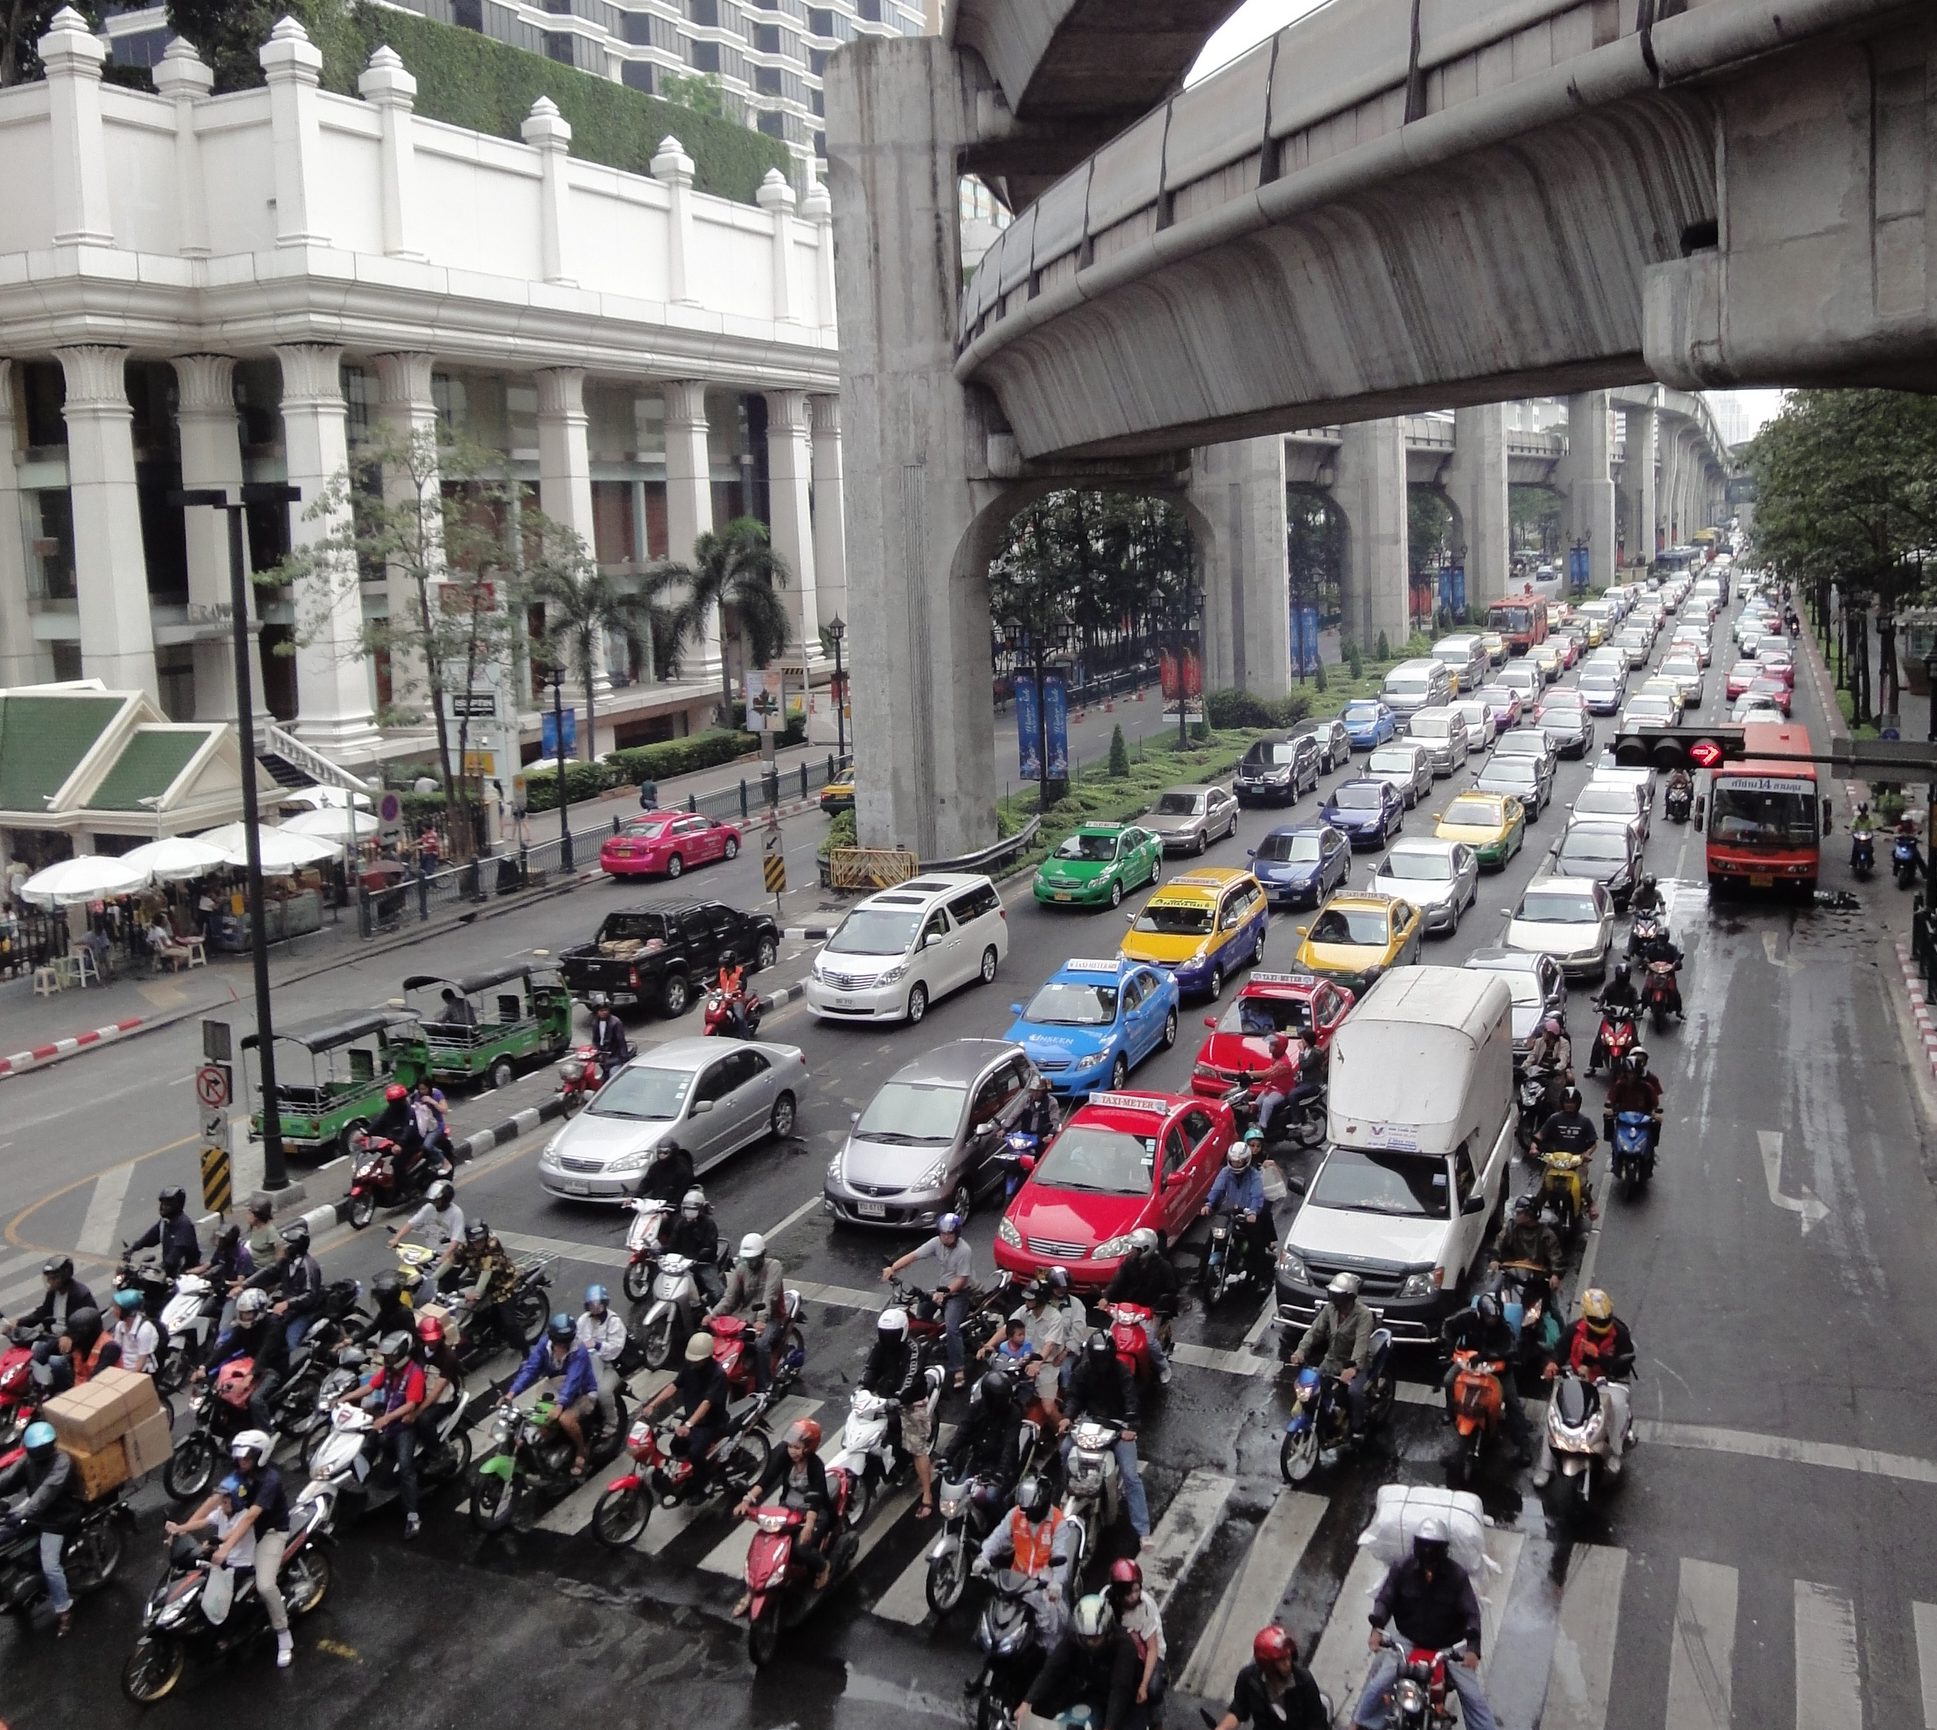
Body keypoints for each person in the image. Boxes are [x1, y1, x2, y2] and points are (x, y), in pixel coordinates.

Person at [1353, 1520, 1495, 1730]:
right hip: (1408, 1638)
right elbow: (1385, 1599)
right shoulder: (1402, 1568)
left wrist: (1472, 1649)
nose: (1429, 1564)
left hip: (1447, 1644)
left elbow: (1471, 1613)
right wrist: (1376, 1628)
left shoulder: (1457, 1576)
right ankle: (1358, 1723)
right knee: (1377, 1685)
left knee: (1473, 1697)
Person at [178, 1430, 297, 1665]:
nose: (241, 1462)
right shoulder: (238, 1475)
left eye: (247, 1458)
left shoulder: (269, 1480)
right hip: (244, 1533)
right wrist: (182, 1529)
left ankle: (283, 1634)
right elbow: (212, 1501)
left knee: (265, 1585)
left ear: (259, 1456)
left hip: (269, 1534)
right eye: (239, 1458)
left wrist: (225, 1547)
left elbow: (251, 1517)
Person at [1535, 1289, 1638, 1487]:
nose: (1602, 1325)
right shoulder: (1573, 1330)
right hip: (1578, 1378)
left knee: (1616, 1405)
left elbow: (1622, 1365)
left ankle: (1615, 1452)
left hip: (1610, 1381)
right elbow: (1559, 1351)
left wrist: (1599, 1356)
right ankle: (1545, 1465)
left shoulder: (1620, 1334)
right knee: (1554, 1410)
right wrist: (1553, 1363)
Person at [732, 1417, 832, 1612]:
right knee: (765, 1545)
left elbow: (817, 1497)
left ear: (808, 1448)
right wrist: (747, 1500)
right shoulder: (783, 1456)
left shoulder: (816, 1466)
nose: (792, 1451)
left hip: (814, 1513)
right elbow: (766, 1479)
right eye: (790, 1446)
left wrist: (809, 1526)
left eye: (797, 1447)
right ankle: (750, 1592)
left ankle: (823, 1566)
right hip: (787, 1509)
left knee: (800, 1549)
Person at [1060, 1331, 1150, 1542]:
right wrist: (1067, 1417)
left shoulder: (1122, 1372)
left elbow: (1131, 1401)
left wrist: (1131, 1426)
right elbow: (1074, 1397)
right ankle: (1066, 1491)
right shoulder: (1082, 1371)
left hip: (1118, 1426)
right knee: (1065, 1450)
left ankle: (1143, 1529)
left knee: (1130, 1475)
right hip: (1090, 1422)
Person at [1018, 1594, 1146, 1730]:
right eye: (1086, 1638)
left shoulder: (1124, 1645)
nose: (1090, 1643)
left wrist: (1109, 1727)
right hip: (1089, 1691)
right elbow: (1052, 1669)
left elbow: (1120, 1688)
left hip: (1124, 1699)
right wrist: (1027, 1702)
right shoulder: (1074, 1639)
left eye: (1095, 1638)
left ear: (1108, 1631)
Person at [975, 1472, 1077, 1642]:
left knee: (1053, 1632)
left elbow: (1060, 1554)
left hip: (1043, 1586)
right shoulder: (1016, 1514)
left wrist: (1056, 1583)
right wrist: (983, 1557)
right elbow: (997, 1538)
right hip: (1015, 1582)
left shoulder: (1058, 1522)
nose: (1028, 1515)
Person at [0, 1421, 81, 1633]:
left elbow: (45, 1493)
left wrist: (20, 1514)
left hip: (58, 1518)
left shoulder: (62, 1462)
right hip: (36, 1512)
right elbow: (9, 1479)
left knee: (51, 1567)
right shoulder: (29, 1460)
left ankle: (64, 1610)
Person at [1437, 1293, 1533, 1465]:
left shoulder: (1504, 1328)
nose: (1492, 1321)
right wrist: (1448, 1346)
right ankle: (1451, 1411)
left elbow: (1511, 1347)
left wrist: (1487, 1355)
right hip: (1469, 1362)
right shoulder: (1467, 1318)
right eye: (1489, 1317)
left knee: (1512, 1401)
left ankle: (1524, 1447)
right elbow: (1448, 1325)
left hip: (1497, 1369)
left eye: (1495, 1317)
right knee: (1449, 1380)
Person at [503, 1313, 601, 1477]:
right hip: (556, 1387)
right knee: (538, 1420)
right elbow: (531, 1369)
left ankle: (581, 1450)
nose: (562, 1346)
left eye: (566, 1341)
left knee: (565, 1419)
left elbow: (573, 1380)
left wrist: (561, 1405)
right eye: (559, 1341)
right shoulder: (544, 1346)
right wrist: (512, 1392)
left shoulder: (579, 1351)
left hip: (582, 1392)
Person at [883, 1215, 974, 1388]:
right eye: (943, 1234)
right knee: (922, 1313)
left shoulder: (964, 1250)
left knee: (952, 1326)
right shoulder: (936, 1243)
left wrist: (946, 1293)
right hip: (940, 1290)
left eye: (949, 1234)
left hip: (958, 1293)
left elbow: (962, 1279)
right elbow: (914, 1255)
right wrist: (893, 1268)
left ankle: (958, 1369)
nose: (945, 1237)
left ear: (956, 1233)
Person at [860, 1307, 935, 1517]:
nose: (887, 1337)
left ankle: (927, 1495)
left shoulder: (913, 1348)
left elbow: (911, 1377)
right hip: (884, 1398)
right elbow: (871, 1368)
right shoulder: (880, 1346)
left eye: (891, 1333)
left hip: (910, 1401)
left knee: (917, 1448)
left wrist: (900, 1398)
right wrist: (863, 1386)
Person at [1286, 1271, 1376, 1441]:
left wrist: (1352, 1367)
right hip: (1332, 1360)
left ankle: (1358, 1428)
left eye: (1337, 1294)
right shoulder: (1330, 1309)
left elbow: (1361, 1344)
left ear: (1348, 1296)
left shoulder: (1363, 1314)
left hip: (1355, 1363)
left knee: (1354, 1393)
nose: (1333, 1297)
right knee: (1310, 1387)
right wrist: (1301, 1350)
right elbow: (1315, 1331)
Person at [639, 1330, 733, 1489]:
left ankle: (703, 1484)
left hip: (710, 1424)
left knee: (696, 1453)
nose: (693, 1363)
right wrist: (652, 1405)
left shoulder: (718, 1375)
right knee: (675, 1446)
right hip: (691, 1419)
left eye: (697, 1361)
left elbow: (706, 1403)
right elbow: (674, 1386)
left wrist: (689, 1425)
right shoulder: (690, 1368)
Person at [363, 1330, 429, 1538]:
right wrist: (344, 1398)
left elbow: (411, 1404)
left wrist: (387, 1418)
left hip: (404, 1427)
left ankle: (413, 1517)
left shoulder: (415, 1373)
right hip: (389, 1418)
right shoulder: (389, 1370)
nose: (386, 1359)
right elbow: (370, 1386)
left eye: (389, 1356)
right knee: (366, 1446)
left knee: (406, 1467)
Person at [201, 1286, 290, 1436]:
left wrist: (251, 1376)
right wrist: (204, 1367)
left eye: (248, 1313)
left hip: (273, 1368)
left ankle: (266, 1434)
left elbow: (265, 1353)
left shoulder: (274, 1327)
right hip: (249, 1366)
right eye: (242, 1314)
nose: (244, 1317)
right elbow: (226, 1348)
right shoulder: (242, 1329)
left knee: (256, 1400)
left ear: (259, 1311)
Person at [711, 1233, 789, 1392]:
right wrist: (713, 1315)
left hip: (771, 1318)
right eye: (747, 1260)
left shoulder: (773, 1267)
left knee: (761, 1344)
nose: (750, 1263)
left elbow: (770, 1297)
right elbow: (730, 1298)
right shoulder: (741, 1269)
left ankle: (765, 1386)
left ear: (762, 1255)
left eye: (753, 1259)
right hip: (745, 1316)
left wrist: (761, 1320)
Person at [1211, 1625, 1328, 1730]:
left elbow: (1316, 1724)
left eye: (1288, 1657)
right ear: (1268, 1664)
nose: (1288, 1664)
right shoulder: (1249, 1679)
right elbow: (1238, 1711)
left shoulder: (1304, 1681)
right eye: (1282, 1660)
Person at [1103, 1228, 1176, 1386]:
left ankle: (1163, 1366)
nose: (1131, 1252)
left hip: (1150, 1310)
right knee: (1110, 1336)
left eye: (1134, 1249)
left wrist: (1155, 1309)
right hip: (1128, 1309)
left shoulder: (1164, 1267)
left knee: (1148, 1341)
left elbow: (1170, 1292)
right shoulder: (1129, 1264)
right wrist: (1106, 1297)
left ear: (1145, 1249)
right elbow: (1117, 1282)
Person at [1202, 1135, 1276, 1284]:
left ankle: (1262, 1278)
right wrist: (1208, 1204)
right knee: (1212, 1239)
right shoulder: (1225, 1173)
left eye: (1239, 1161)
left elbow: (1257, 1196)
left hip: (1247, 1213)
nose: (1236, 1164)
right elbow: (1217, 1189)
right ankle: (1201, 1273)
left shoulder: (1254, 1176)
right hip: (1230, 1212)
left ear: (1246, 1160)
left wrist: (1253, 1211)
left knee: (1256, 1244)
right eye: (1234, 1161)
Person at [245, 1222, 326, 1355]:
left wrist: (287, 1304)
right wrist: (244, 1285)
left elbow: (309, 1296)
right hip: (289, 1309)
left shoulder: (308, 1267)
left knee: (291, 1341)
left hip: (305, 1311)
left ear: (294, 1248)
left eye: (285, 1245)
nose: (281, 1248)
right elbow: (268, 1273)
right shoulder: (286, 1262)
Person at [941, 1369, 1023, 1490]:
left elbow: (1009, 1445)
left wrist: (1001, 1472)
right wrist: (946, 1457)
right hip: (978, 1460)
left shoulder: (1014, 1413)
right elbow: (962, 1433)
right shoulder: (976, 1408)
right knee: (959, 1489)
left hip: (999, 1466)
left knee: (991, 1498)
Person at [447, 1221, 520, 1348]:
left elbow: (487, 1270)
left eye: (480, 1240)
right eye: (474, 1241)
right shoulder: (465, 1245)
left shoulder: (493, 1245)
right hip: (482, 1281)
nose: (478, 1244)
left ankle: (524, 1351)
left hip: (503, 1285)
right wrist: (432, 1279)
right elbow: (451, 1260)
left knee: (510, 1324)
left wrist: (475, 1293)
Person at [1107, 1557, 1167, 1711]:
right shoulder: (1106, 1602)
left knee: (1153, 1690)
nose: (1134, 1596)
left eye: (1137, 1590)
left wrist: (1144, 1685)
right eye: (1129, 1593)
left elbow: (1152, 1649)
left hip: (1148, 1653)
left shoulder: (1144, 1607)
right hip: (1121, 1650)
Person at [388, 1179, 464, 1283]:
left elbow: (455, 1241)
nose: (434, 1203)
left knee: (439, 1285)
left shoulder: (456, 1213)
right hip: (429, 1255)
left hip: (448, 1259)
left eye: (437, 1200)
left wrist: (444, 1257)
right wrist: (396, 1238)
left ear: (446, 1199)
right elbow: (412, 1223)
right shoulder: (429, 1208)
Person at [576, 1284, 628, 1435]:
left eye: (598, 1304)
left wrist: (597, 1345)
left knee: (603, 1391)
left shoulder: (614, 1322)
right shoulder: (583, 1320)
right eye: (591, 1305)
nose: (595, 1308)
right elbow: (577, 1339)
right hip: (590, 1363)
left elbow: (616, 1348)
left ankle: (612, 1423)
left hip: (611, 1366)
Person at [8, 1256, 96, 1335]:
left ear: (65, 1277)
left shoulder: (80, 1295)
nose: (50, 1282)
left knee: (40, 1351)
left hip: (70, 1339)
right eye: (49, 1278)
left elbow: (85, 1323)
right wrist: (18, 1323)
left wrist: (70, 1337)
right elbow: (42, 1313)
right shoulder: (53, 1293)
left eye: (54, 1278)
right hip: (52, 1334)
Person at [125, 1185, 200, 1278]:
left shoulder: (184, 1225)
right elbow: (150, 1237)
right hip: (169, 1271)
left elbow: (177, 1251)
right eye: (162, 1204)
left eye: (167, 1204)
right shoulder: (165, 1222)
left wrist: (161, 1266)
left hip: (184, 1274)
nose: (163, 1207)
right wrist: (133, 1249)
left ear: (177, 1205)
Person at [667, 1187, 723, 1306]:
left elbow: (711, 1247)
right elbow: (672, 1245)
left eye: (692, 1209)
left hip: (703, 1263)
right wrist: (658, 1251)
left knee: (717, 1293)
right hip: (682, 1264)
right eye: (687, 1208)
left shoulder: (708, 1224)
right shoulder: (680, 1224)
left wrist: (696, 1257)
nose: (689, 1212)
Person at [1604, 1048, 1665, 1154]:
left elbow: (1655, 1101)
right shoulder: (1619, 1085)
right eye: (1629, 1073)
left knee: (1656, 1124)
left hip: (1642, 1118)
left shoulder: (1647, 1085)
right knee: (1607, 1118)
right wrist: (1610, 1109)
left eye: (1633, 1073)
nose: (1631, 1076)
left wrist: (1655, 1113)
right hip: (1623, 1118)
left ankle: (1651, 1149)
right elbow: (1612, 1098)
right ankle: (1613, 1145)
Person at [1588, 963, 1639, 1075]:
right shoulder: (1610, 987)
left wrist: (1636, 1009)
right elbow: (1602, 998)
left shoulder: (1631, 989)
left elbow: (1635, 1001)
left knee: (1634, 1041)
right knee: (1599, 1041)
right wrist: (1599, 1006)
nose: (1622, 980)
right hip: (1610, 1017)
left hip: (1626, 1019)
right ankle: (1592, 1066)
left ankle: (1638, 1065)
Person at [1249, 1035, 1301, 1142]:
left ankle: (1262, 1126)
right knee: (1257, 1103)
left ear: (1279, 1047)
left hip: (1283, 1090)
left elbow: (1267, 1073)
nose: (1270, 1047)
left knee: (1268, 1102)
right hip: (1273, 1087)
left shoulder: (1283, 1063)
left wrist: (1248, 1073)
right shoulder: (1275, 1057)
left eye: (1272, 1045)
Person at [1635, 923, 1685, 1020]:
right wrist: (1646, 962)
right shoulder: (1650, 947)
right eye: (1659, 938)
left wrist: (1676, 963)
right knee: (1646, 990)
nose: (1660, 941)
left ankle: (1678, 1011)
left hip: (1668, 974)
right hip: (1653, 973)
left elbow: (1677, 957)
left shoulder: (1672, 949)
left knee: (1675, 992)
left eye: (1663, 939)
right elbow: (1646, 956)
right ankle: (1642, 1008)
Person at [110, 1288, 161, 1376]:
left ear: (127, 1312)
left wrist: (127, 1378)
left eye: (116, 1308)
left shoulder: (144, 1330)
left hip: (139, 1372)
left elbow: (141, 1363)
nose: (113, 1310)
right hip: (123, 1368)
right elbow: (116, 1351)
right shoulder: (120, 1326)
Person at [638, 1139, 697, 1208]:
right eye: (660, 1152)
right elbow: (646, 1183)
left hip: (676, 1206)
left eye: (665, 1153)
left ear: (673, 1152)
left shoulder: (683, 1171)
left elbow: (681, 1194)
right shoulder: (655, 1167)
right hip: (657, 1204)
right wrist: (634, 1196)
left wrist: (668, 1211)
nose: (662, 1155)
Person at [588, 1002, 632, 1076]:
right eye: (601, 1011)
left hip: (615, 1055)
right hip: (603, 1055)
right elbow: (595, 1039)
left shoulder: (616, 1022)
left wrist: (624, 1057)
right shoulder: (595, 1022)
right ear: (597, 1012)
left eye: (606, 1010)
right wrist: (594, 1050)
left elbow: (621, 1040)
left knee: (613, 1075)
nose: (604, 1012)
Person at [1015, 1074, 1059, 1144]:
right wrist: (1004, 1129)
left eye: (1038, 1091)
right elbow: (1015, 1115)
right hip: (1026, 1137)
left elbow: (1055, 1121)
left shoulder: (1052, 1102)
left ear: (1044, 1092)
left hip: (1042, 1138)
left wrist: (1050, 1135)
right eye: (1033, 1091)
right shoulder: (1025, 1100)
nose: (1034, 1094)